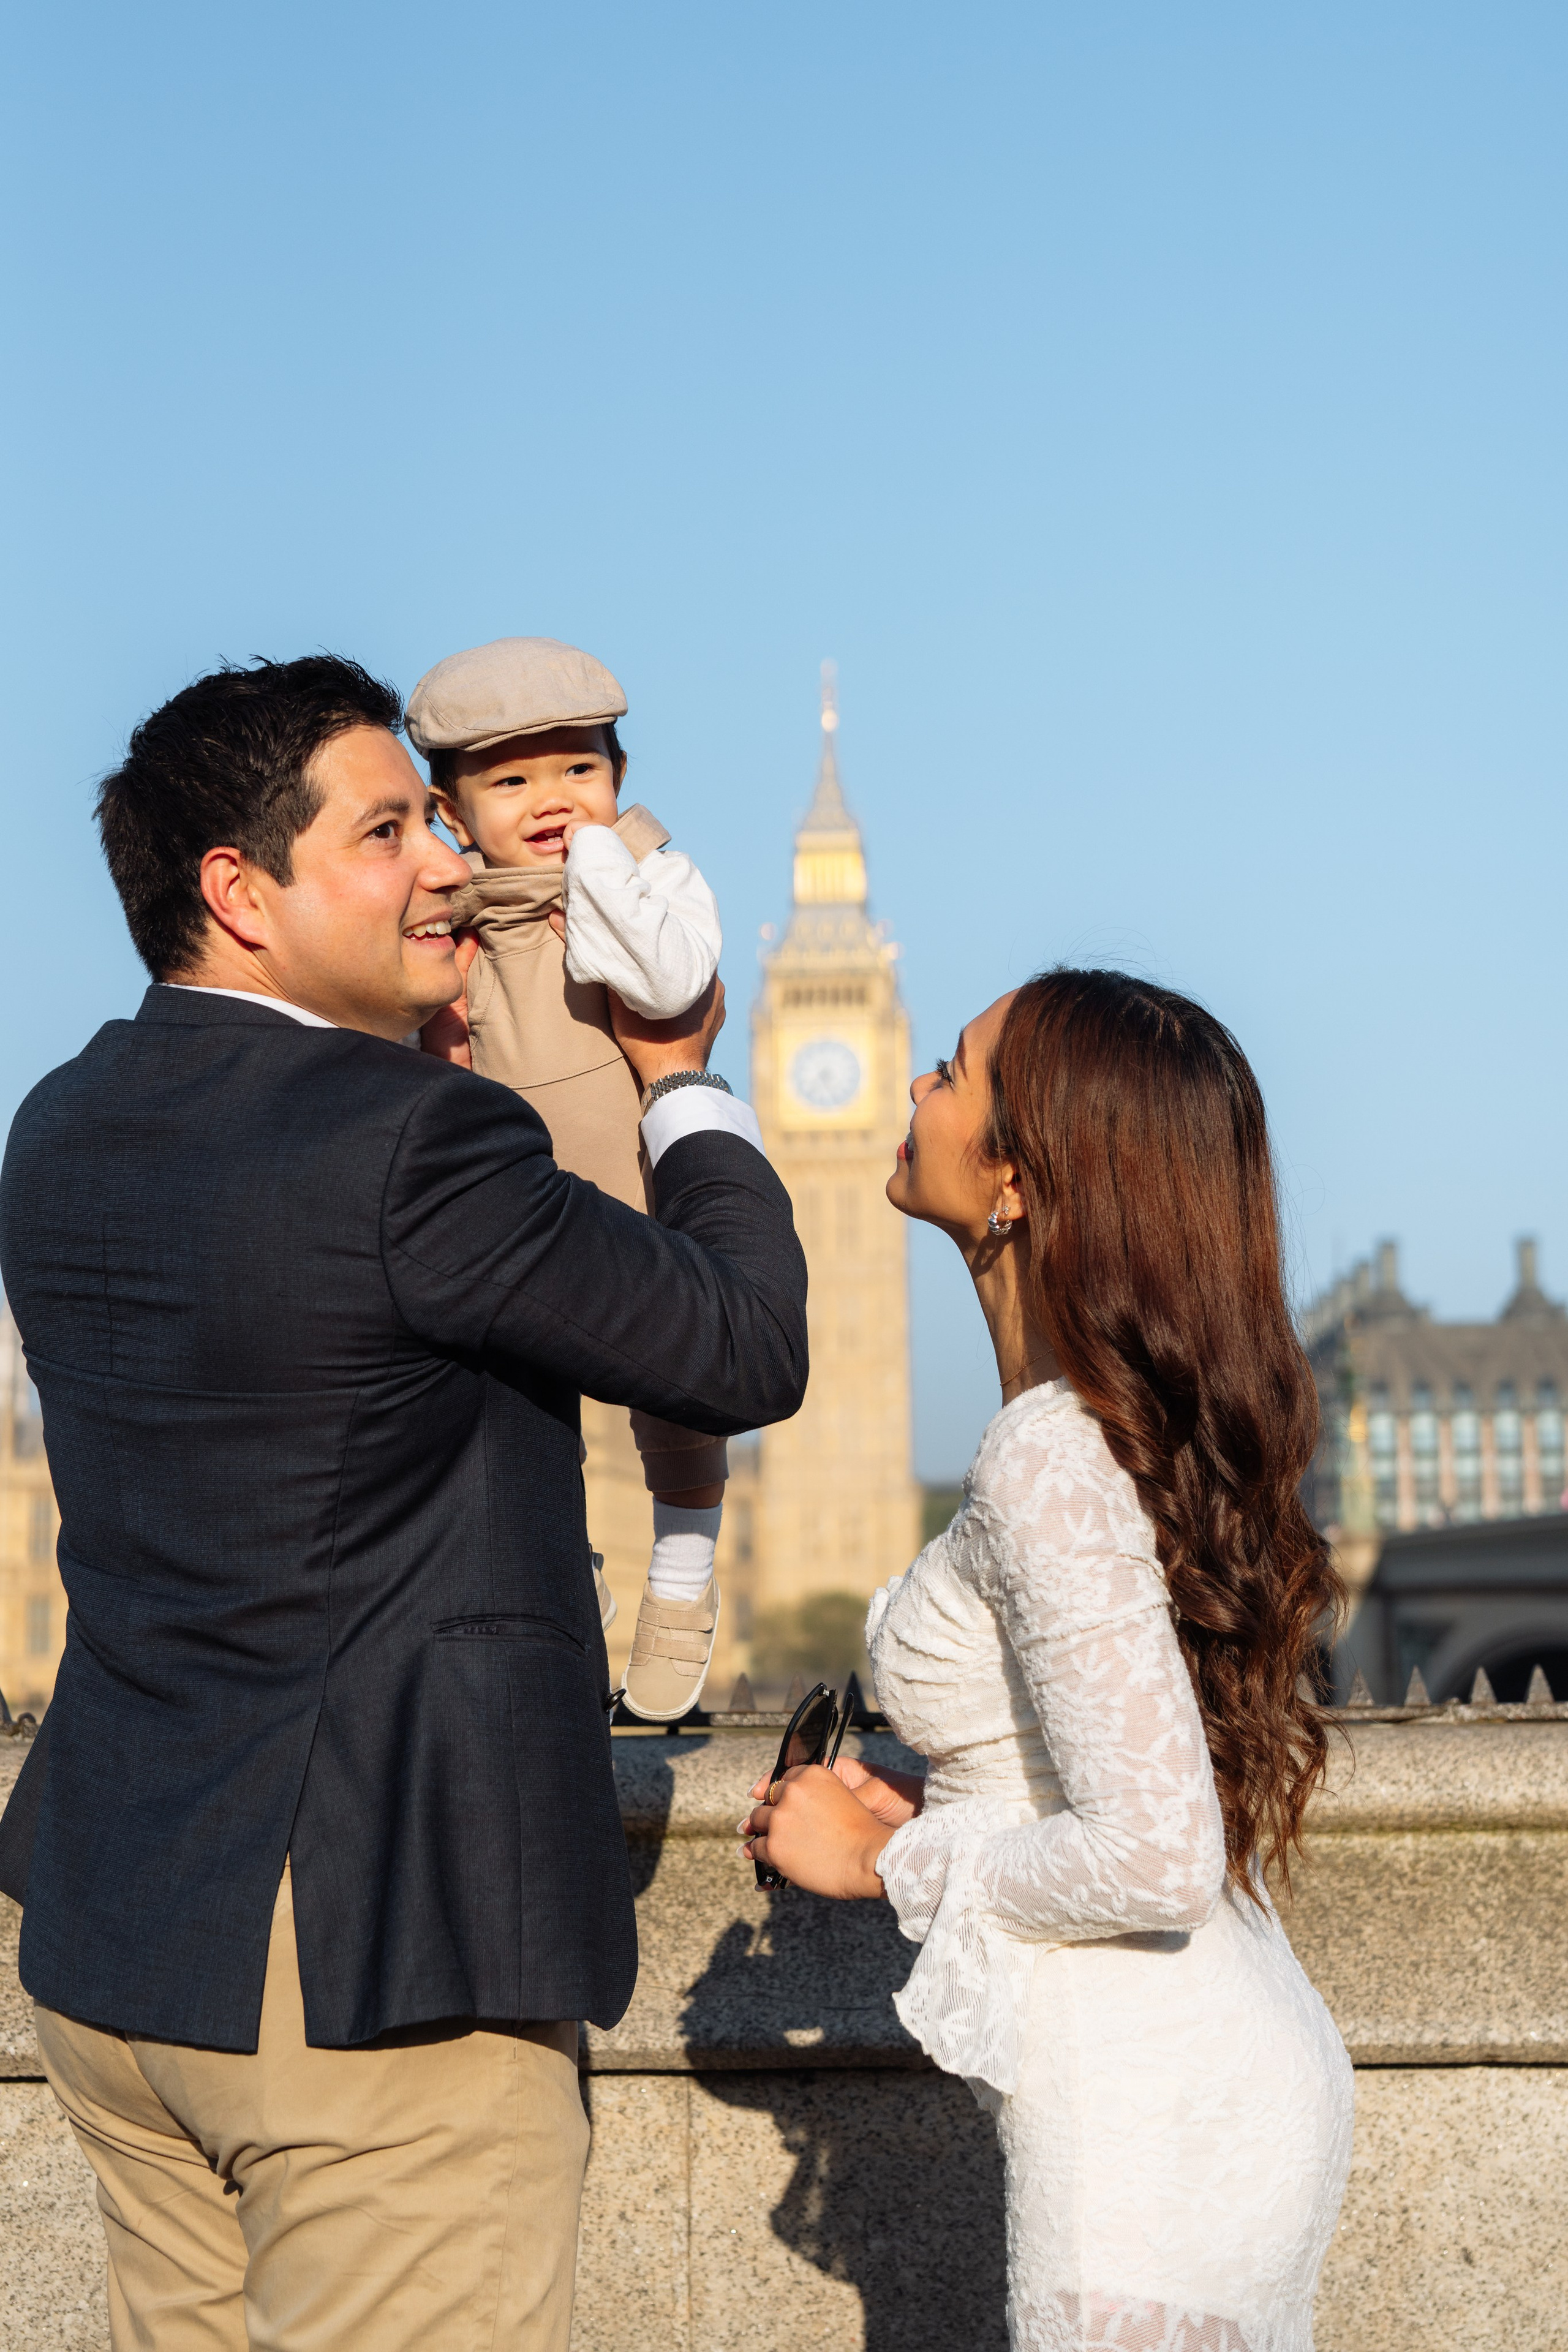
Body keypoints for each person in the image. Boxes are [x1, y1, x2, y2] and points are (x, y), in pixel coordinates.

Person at [0, 655, 807, 2352]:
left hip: (121, 1935)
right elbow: (738, 1342)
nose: (450, 862)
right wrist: (679, 1076)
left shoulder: (63, 1122)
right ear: (241, 893)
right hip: (373, 1968)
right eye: (387, 834)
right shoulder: (417, 1141)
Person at [743, 970, 1354, 2351]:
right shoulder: (1083, 1428)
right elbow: (1110, 1754)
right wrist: (944, 1797)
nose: (916, 1083)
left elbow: (1156, 1855)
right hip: (1205, 2062)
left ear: (1016, 1178)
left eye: (953, 1071)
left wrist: (880, 1858)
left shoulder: (1044, 1457)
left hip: (1146, 2110)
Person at [407, 635, 729, 1721]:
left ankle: (682, 1572)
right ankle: (559, 1568)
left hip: (636, 1184)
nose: (552, 797)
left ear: (620, 776)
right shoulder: (445, 916)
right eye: (511, 781)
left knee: (675, 1390)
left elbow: (670, 983)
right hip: (510, 1205)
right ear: (451, 812)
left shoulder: (652, 875)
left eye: (579, 768)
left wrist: (597, 869)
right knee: (510, 1404)